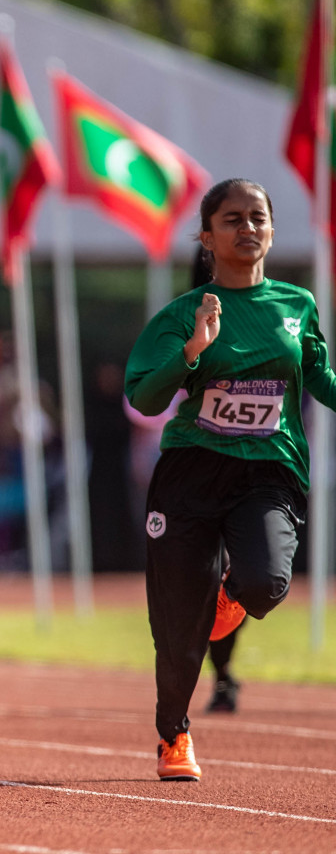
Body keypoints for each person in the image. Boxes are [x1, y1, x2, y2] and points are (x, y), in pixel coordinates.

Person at [124, 178, 325, 782]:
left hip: (269, 469)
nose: (248, 228)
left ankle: (230, 599)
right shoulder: (182, 314)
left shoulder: (296, 306)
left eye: (258, 217)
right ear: (207, 237)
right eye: (232, 219)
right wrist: (192, 351)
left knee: (266, 580)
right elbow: (143, 395)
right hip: (192, 470)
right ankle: (174, 734)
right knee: (177, 625)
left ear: (270, 229)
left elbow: (318, 376)